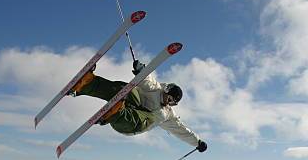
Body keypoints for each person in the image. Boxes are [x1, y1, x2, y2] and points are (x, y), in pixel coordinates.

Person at [69, 60, 207, 152]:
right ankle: (86, 84)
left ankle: (116, 113)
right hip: (128, 105)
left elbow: (181, 130)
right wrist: (141, 71)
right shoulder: (155, 89)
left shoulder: (168, 115)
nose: (168, 102)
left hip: (130, 125)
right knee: (125, 88)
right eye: (169, 98)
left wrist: (197, 142)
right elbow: (147, 79)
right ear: (166, 91)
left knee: (152, 117)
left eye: (172, 103)